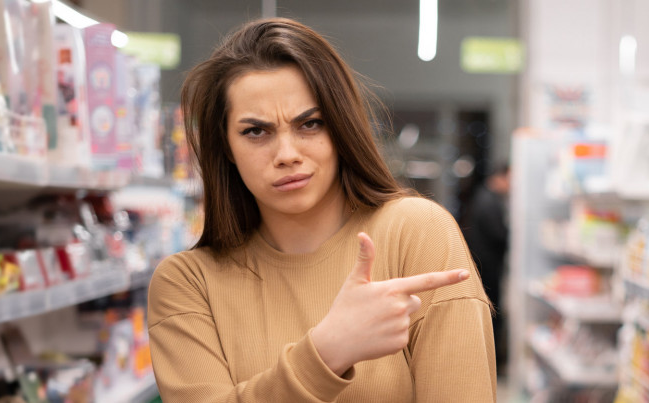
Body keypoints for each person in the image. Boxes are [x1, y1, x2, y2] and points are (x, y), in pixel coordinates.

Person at [147, 18, 496, 402]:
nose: (286, 155)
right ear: (227, 148)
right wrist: (328, 352)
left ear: (341, 127)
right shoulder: (186, 284)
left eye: (310, 124)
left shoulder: (416, 233)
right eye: (255, 132)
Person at [461, 164, 509, 371]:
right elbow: (499, 235)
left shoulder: (483, 197)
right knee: (492, 314)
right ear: (500, 177)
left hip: (485, 265)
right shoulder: (488, 200)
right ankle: (492, 364)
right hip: (487, 268)